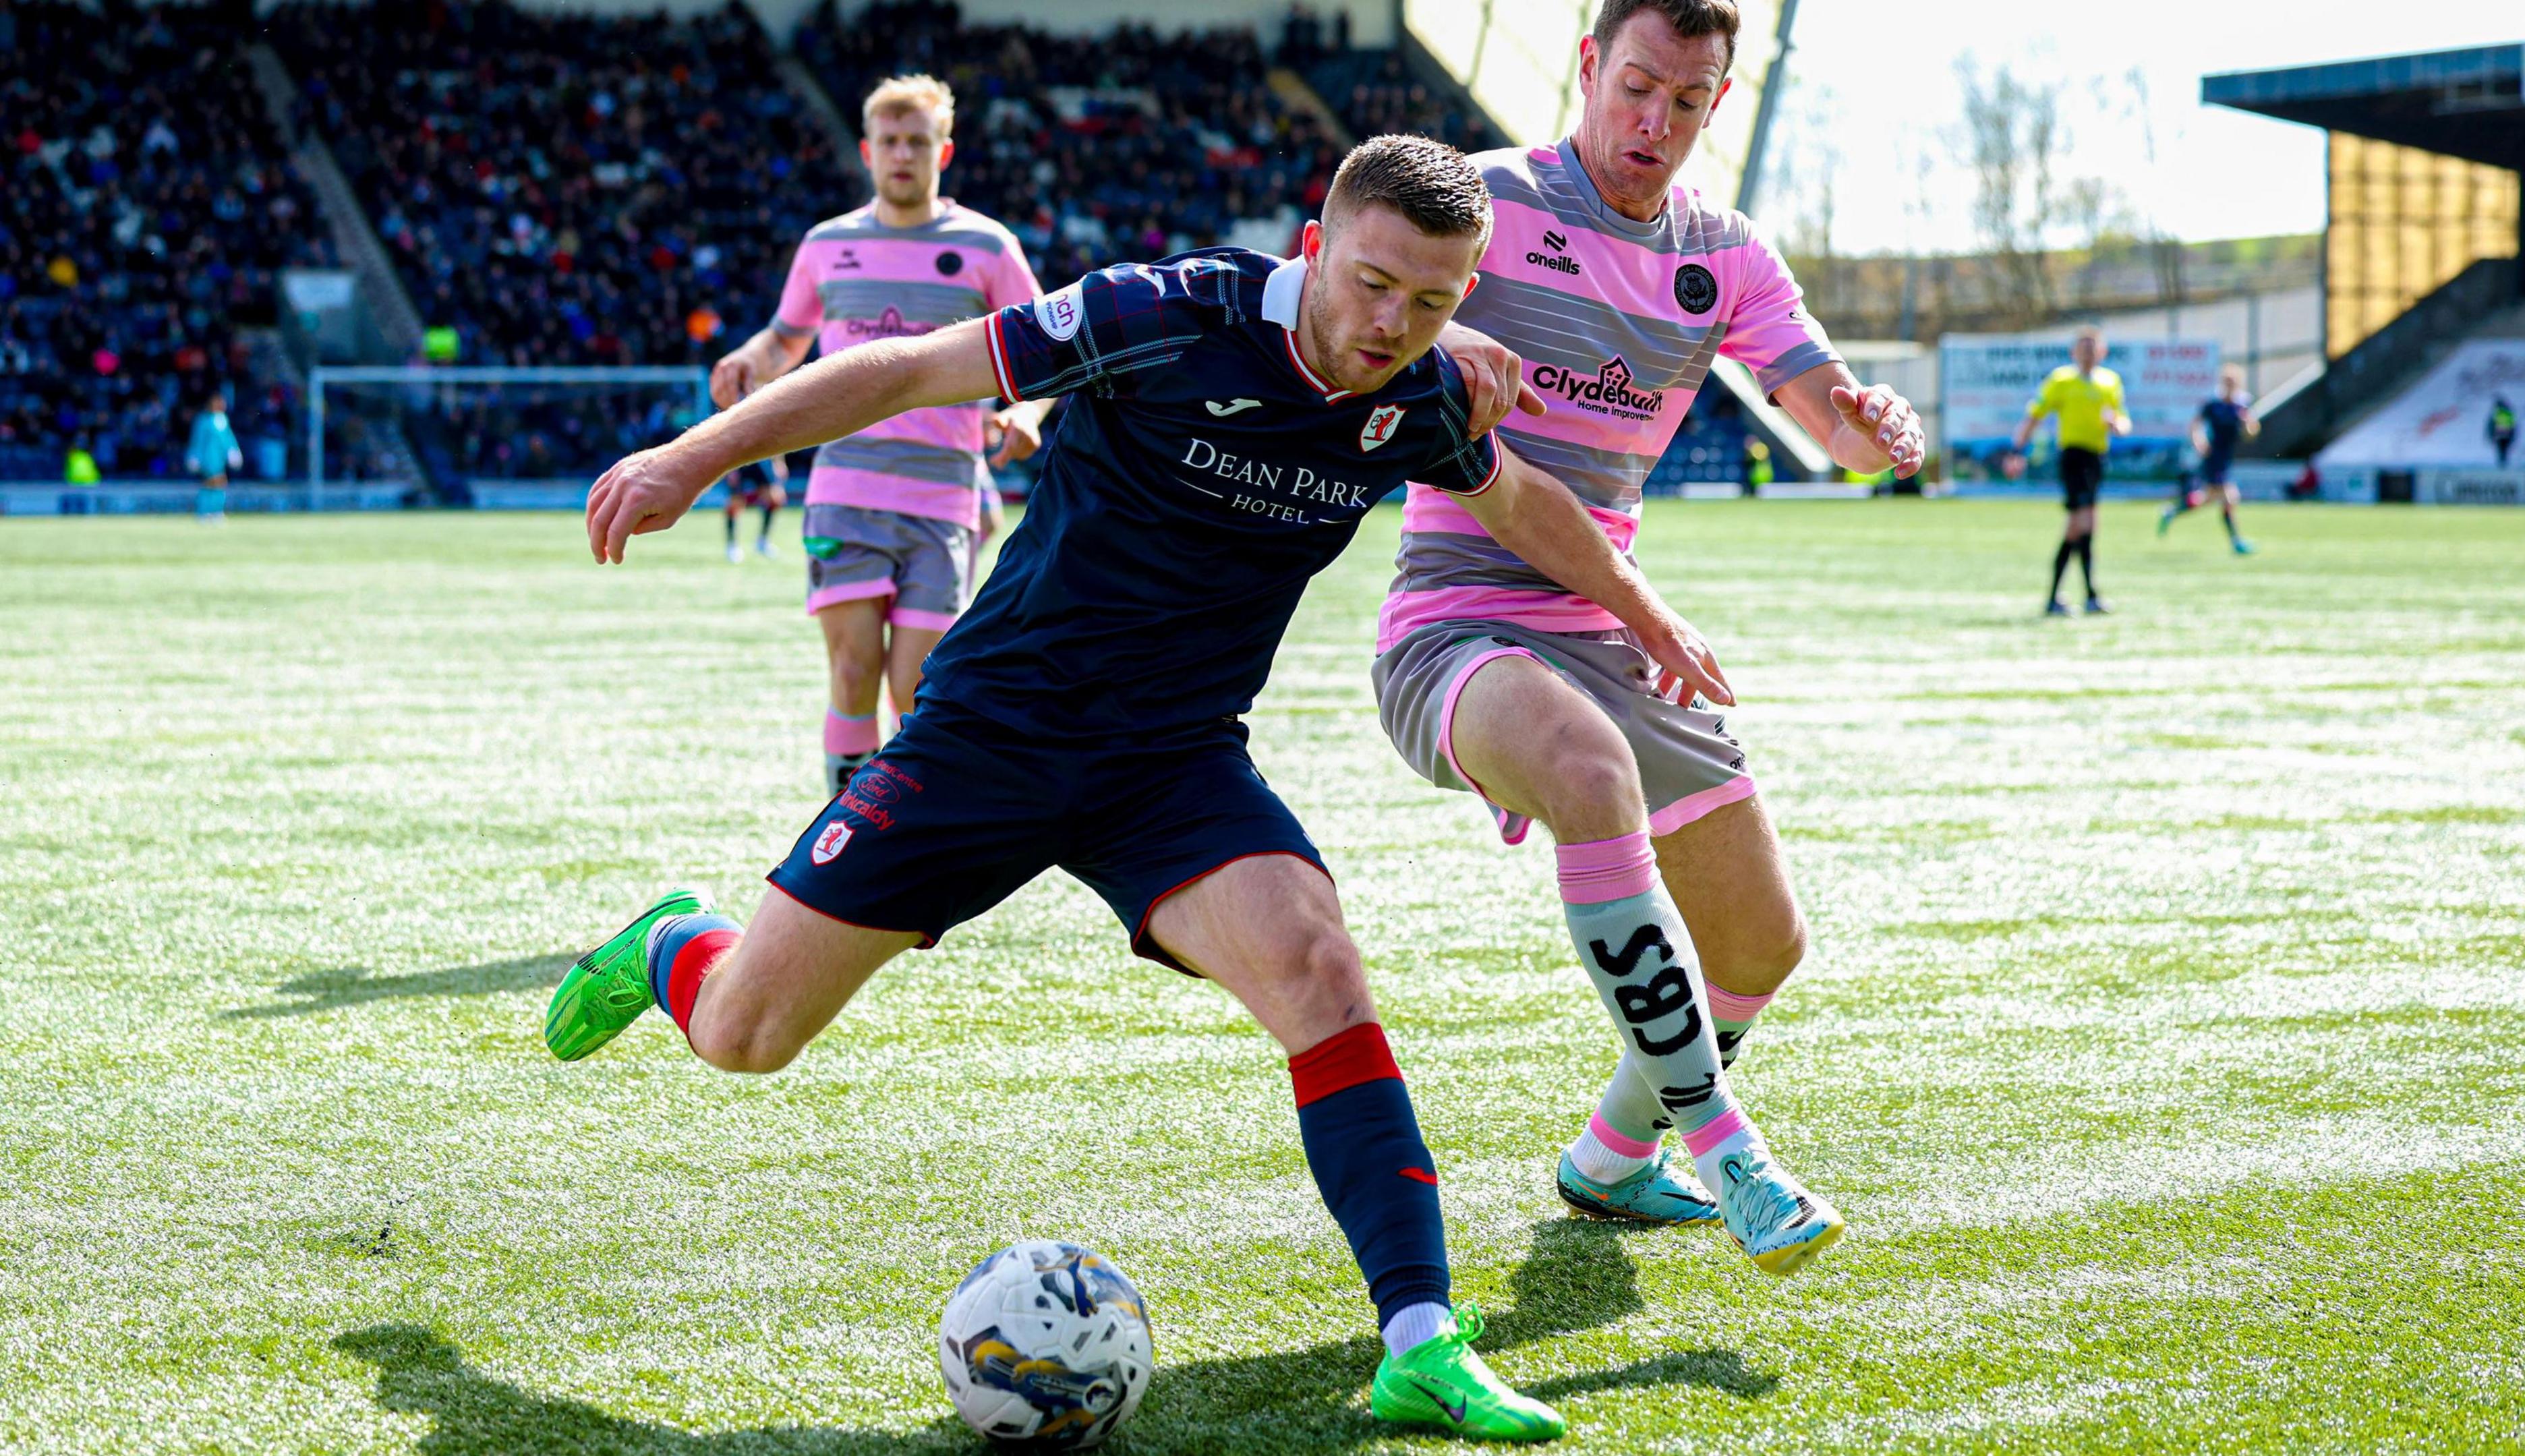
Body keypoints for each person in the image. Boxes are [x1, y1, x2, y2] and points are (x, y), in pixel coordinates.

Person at [550, 136, 1737, 1442]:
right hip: (987, 737)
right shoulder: (1160, 314)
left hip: (1174, 760)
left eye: (1434, 302)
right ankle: (672, 943)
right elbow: (901, 368)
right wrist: (695, 456)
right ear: (1313, 247)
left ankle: (1419, 1334)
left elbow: (1516, 498)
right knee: (743, 1033)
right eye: (1372, 283)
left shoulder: (1424, 394)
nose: (1390, 324)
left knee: (1319, 971)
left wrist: (1644, 607)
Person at [1372, 0, 1923, 1270]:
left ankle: (1614, 1158)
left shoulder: (1725, 255)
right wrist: (1441, 327)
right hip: (1457, 621)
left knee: (1760, 941)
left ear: (1719, 103)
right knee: (1585, 772)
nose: (1653, 123)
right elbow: (1374, 302)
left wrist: (1874, 429)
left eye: (1686, 100)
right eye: (1635, 87)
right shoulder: (1490, 202)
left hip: (1620, 628)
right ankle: (1731, 1150)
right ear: (1587, 66)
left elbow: (1828, 423)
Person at [707, 75, 1056, 793]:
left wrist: (1025, 413)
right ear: (867, 151)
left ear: (944, 152)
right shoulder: (828, 245)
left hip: (943, 498)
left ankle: (906, 834)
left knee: (919, 688)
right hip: (846, 488)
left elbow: (1051, 349)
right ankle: (845, 839)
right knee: (852, 669)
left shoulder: (987, 245)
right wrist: (750, 358)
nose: (903, 154)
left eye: (917, 142)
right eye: (890, 142)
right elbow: (786, 339)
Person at [2012, 326, 2127, 615]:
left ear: (2103, 352)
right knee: (2081, 524)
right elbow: (2034, 415)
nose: (2088, 353)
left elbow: (2123, 421)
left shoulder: (2110, 382)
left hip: (2097, 458)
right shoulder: (2061, 380)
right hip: (2073, 458)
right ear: (2074, 352)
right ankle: (2076, 596)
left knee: (2086, 527)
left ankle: (2075, 598)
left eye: (2093, 347)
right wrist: (2017, 451)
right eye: (2083, 347)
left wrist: (2117, 425)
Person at [2161, 364, 2257, 553]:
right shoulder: (2214, 405)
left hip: (2227, 457)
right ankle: (2236, 541)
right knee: (2230, 497)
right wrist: (2199, 442)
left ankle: (2173, 512)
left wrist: (2248, 423)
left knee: (2208, 498)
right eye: (2227, 382)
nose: (2230, 386)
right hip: (2213, 457)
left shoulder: (2241, 407)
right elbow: (2194, 426)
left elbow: (2251, 433)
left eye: (2233, 382)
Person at [186, 391, 241, 523]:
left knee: (219, 484)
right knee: (211, 483)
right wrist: (194, 456)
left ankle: (215, 511)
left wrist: (233, 451)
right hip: (208, 458)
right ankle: (204, 511)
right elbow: (197, 440)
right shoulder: (203, 420)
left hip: (219, 459)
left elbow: (229, 439)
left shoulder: (223, 420)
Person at [720, 456, 788, 562]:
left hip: (762, 457)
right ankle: (732, 545)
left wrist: (779, 461)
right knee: (735, 503)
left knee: (775, 499)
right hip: (738, 458)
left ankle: (762, 542)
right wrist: (729, 466)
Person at [2489, 395, 2518, 466]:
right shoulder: (2509, 413)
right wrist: (2513, 435)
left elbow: (2492, 425)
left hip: (2500, 434)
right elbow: (2513, 425)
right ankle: (2504, 461)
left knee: (2501, 449)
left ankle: (2502, 462)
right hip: (2507, 434)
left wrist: (2491, 434)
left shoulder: (2497, 414)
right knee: (2505, 449)